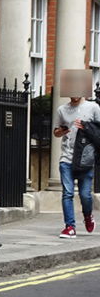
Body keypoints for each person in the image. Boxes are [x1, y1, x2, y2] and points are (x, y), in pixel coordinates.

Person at [53, 92, 100, 237]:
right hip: (66, 158)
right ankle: (70, 227)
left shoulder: (93, 107)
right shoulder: (62, 110)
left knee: (85, 195)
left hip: (84, 159)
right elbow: (55, 132)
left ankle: (88, 215)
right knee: (67, 193)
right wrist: (61, 131)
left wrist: (86, 127)